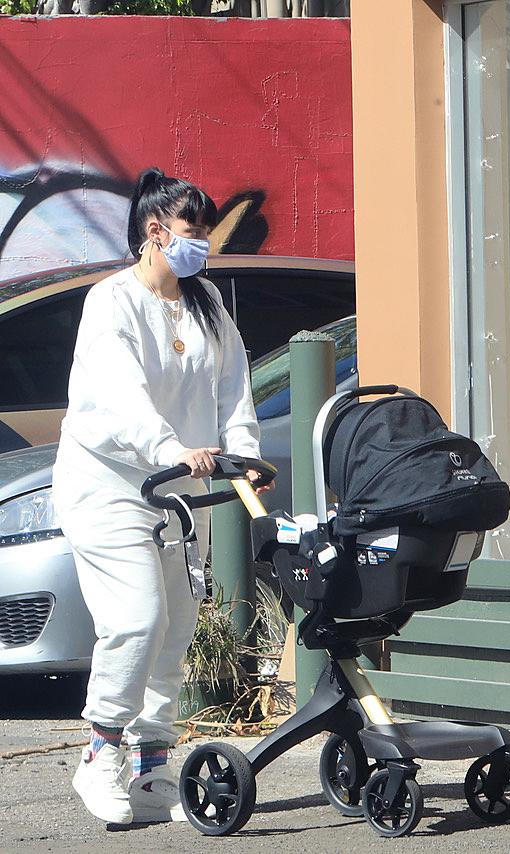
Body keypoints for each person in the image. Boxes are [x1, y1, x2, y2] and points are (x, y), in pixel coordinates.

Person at [53, 168, 266, 824]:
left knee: (173, 625)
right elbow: (119, 395)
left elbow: (232, 384)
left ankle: (151, 769)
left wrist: (244, 451)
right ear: (156, 231)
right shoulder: (111, 303)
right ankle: (101, 753)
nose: (203, 240)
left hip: (177, 493)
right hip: (108, 485)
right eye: (194, 228)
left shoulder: (205, 302)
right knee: (136, 618)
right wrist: (169, 446)